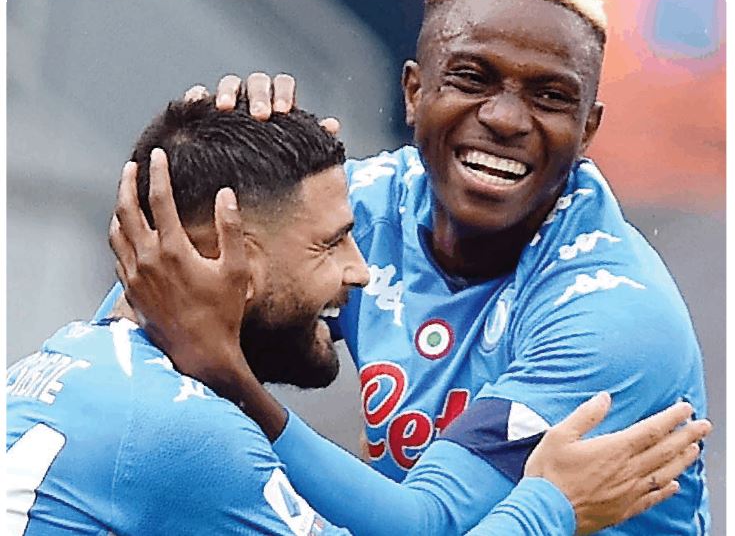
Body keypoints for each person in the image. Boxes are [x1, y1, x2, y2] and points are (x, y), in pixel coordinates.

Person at [106, 0, 711, 534]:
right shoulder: (361, 208)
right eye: (471, 79)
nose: (505, 119)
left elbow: (426, 524)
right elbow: (133, 339)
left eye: (550, 96)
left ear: (587, 130)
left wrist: (228, 377)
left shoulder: (614, 314)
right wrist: (221, 164)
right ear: (414, 92)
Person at [6, 98, 709, 536]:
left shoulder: (63, 365)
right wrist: (550, 508)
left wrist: (213, 143)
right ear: (215, 254)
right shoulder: (189, 437)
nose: (362, 270)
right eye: (329, 243)